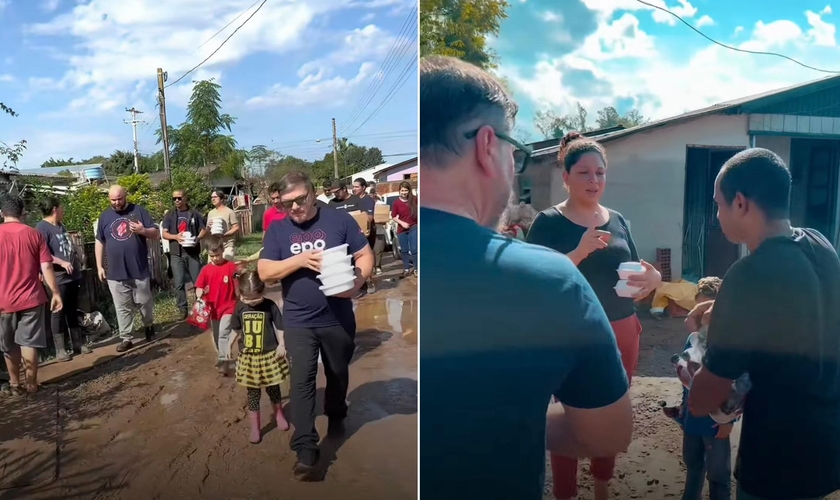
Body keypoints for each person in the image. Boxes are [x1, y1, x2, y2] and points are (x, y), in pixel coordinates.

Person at [419, 55, 633, 500]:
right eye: (513, 154)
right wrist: (513, 421)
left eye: (601, 173)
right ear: (485, 146)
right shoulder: (548, 274)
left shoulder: (408, 261)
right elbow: (607, 433)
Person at [687, 148, 840, 500]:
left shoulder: (748, 276)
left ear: (739, 203)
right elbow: (794, 305)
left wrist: (692, 372)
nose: (717, 214)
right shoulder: (820, 243)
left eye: (718, 204)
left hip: (775, 461)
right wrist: (721, 305)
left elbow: (703, 399)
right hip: (825, 446)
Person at [525, 131, 662, 500]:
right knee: (570, 415)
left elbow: (638, 268)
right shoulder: (548, 223)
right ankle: (565, 494)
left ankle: (602, 486)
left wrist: (654, 278)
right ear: (566, 176)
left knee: (610, 414)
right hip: (568, 333)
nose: (593, 180)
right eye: (584, 173)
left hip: (621, 328)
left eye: (600, 173)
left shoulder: (617, 219)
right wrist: (578, 252)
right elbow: (532, 280)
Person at [258, 170, 374, 480]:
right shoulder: (278, 230)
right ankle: (306, 450)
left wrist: (359, 281)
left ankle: (336, 410)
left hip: (338, 316)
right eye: (285, 203)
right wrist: (299, 261)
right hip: (298, 319)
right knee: (301, 380)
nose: (293, 208)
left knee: (338, 371)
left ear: (312, 194)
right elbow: (265, 271)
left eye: (299, 200)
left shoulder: (339, 220)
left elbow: (364, 254)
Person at [672, 276, 732, 500]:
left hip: (716, 422)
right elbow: (687, 379)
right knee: (693, 465)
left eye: (704, 311)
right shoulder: (692, 339)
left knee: (718, 475)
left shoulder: (726, 342)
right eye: (695, 309)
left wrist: (728, 420)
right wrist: (683, 409)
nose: (698, 318)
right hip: (693, 419)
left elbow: (734, 384)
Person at [0, 195, 63, 395]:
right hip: (31, 298)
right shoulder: (34, 234)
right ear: (23, 212)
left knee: (8, 345)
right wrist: (55, 293)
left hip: (3, 301)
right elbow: (46, 267)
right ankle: (31, 385)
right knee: (29, 342)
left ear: (2, 213)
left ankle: (14, 384)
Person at [227, 270, 290, 444]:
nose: (250, 302)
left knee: (273, 387)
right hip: (249, 357)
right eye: (246, 299)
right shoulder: (240, 306)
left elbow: (280, 327)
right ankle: (255, 426)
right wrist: (229, 343)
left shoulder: (270, 306)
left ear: (263, 291)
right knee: (253, 393)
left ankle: (279, 413)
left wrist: (282, 345)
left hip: (269, 355)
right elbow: (236, 328)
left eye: (255, 298)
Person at [95, 185, 159, 353]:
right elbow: (99, 241)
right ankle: (126, 337)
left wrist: (142, 230)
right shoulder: (104, 216)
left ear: (126, 196)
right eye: (113, 200)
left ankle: (149, 326)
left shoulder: (139, 211)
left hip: (138, 268)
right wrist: (99, 265)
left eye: (119, 199)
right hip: (115, 272)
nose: (116, 203)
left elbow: (155, 233)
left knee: (144, 302)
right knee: (122, 307)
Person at [36, 197, 91, 361]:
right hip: (57, 277)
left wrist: (78, 257)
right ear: (54, 209)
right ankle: (60, 350)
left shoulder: (60, 225)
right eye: (61, 207)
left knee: (72, 309)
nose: (63, 210)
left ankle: (77, 343)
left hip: (72, 275)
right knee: (58, 311)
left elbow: (67, 246)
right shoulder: (41, 229)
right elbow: (42, 254)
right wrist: (61, 262)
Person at [195, 235, 239, 376]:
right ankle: (223, 355)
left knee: (223, 334)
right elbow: (199, 287)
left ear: (223, 250)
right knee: (216, 336)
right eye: (212, 256)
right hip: (213, 309)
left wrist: (241, 297)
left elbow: (238, 286)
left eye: (218, 255)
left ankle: (223, 361)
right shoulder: (206, 270)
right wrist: (199, 293)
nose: (215, 258)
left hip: (229, 307)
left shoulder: (231, 267)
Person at [162, 190, 206, 319]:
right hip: (176, 253)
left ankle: (200, 307)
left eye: (179, 198)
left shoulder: (194, 213)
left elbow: (203, 229)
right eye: (174, 199)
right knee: (179, 283)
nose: (177, 201)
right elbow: (164, 233)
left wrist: (197, 239)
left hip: (192, 252)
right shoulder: (170, 214)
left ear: (185, 198)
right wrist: (175, 237)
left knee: (198, 281)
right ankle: (183, 309)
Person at [352, 177, 378, 293]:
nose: (354, 189)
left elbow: (370, 218)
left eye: (357, 187)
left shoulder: (368, 200)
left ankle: (370, 280)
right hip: (356, 233)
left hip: (368, 232)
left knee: (367, 256)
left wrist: (359, 216)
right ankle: (360, 281)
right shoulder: (354, 200)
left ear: (363, 188)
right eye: (353, 187)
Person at [391, 180, 417, 277]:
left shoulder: (414, 199)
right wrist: (402, 223)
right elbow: (393, 216)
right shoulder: (396, 203)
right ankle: (406, 268)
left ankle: (416, 269)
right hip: (402, 229)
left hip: (413, 227)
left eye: (406, 190)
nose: (404, 192)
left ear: (409, 191)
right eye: (402, 190)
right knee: (404, 250)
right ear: (399, 191)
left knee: (414, 249)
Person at [207, 189, 240, 261]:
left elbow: (236, 227)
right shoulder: (211, 213)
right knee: (213, 269)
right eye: (212, 197)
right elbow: (208, 231)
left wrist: (224, 234)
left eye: (215, 197)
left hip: (227, 245)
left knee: (226, 269)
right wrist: (208, 227)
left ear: (221, 199)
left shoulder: (229, 212)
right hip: (214, 246)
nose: (213, 199)